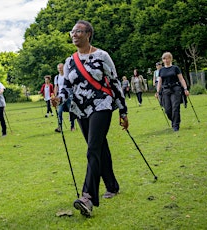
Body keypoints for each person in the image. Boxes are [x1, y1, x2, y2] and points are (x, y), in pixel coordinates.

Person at [51, 20, 128, 217]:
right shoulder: (69, 62)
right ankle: (112, 185)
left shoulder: (102, 56)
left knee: (93, 148)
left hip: (102, 104)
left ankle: (87, 197)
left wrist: (122, 111)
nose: (74, 35)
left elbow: (114, 82)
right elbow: (67, 87)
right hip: (80, 109)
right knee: (99, 147)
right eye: (72, 32)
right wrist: (59, 98)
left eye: (78, 32)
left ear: (88, 34)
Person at [156, 52, 190, 131]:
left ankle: (175, 125)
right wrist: (157, 92)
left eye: (168, 58)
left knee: (175, 107)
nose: (166, 60)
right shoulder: (161, 70)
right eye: (164, 59)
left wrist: (185, 88)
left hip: (175, 89)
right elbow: (159, 81)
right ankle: (174, 120)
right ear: (163, 60)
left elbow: (181, 79)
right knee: (167, 109)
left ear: (171, 59)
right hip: (166, 90)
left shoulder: (175, 68)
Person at [54, 63, 76, 132]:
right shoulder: (57, 77)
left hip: (69, 96)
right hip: (60, 97)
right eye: (58, 68)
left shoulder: (67, 76)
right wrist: (55, 96)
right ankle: (59, 127)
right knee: (59, 111)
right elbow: (56, 87)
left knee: (71, 111)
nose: (59, 69)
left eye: (60, 68)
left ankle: (72, 126)